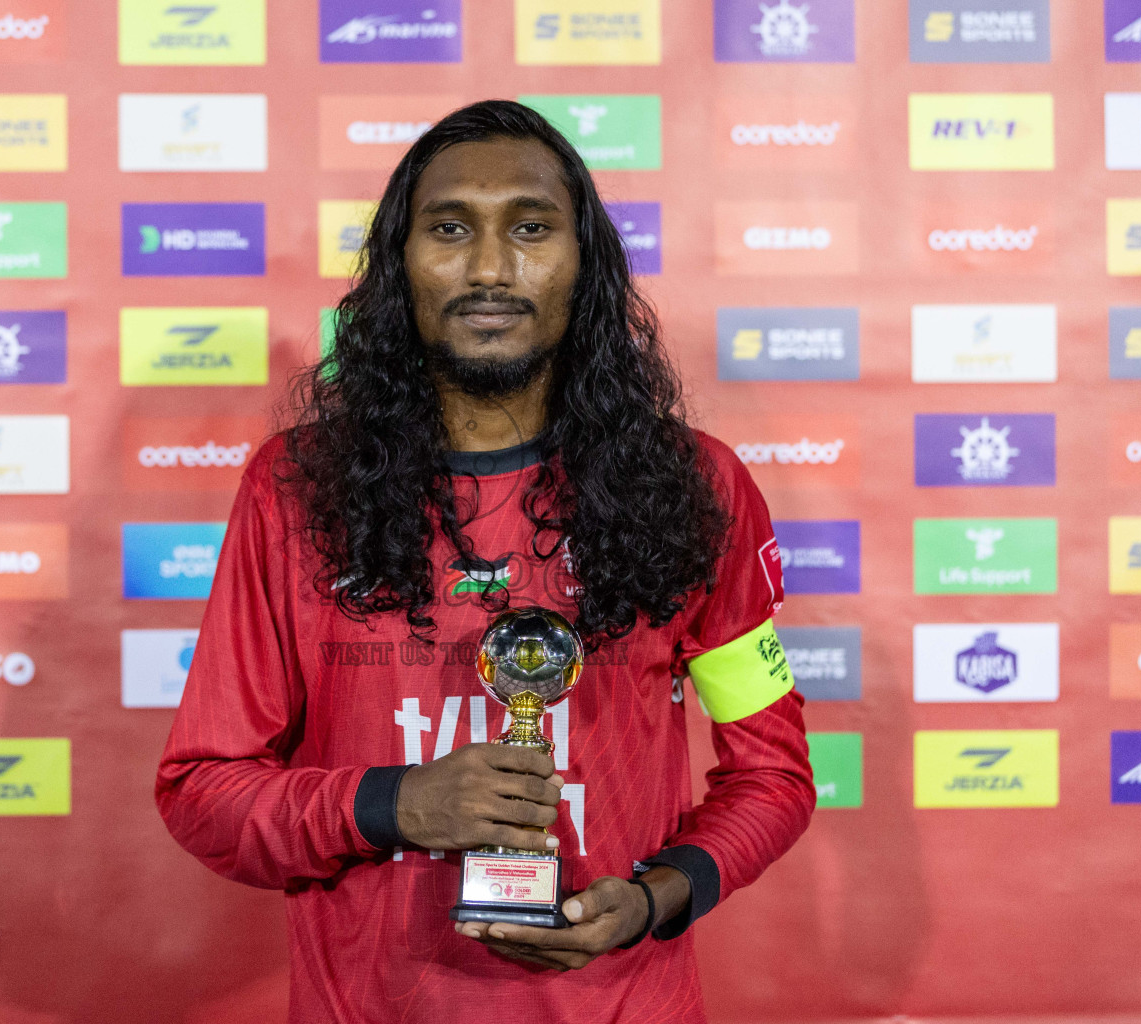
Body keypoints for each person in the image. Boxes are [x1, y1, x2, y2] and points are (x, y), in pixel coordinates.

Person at [156, 99, 814, 1024]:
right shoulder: (294, 490)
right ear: (401, 265)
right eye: (451, 229)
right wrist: (396, 804)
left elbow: (773, 773)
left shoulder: (696, 485)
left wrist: (657, 898)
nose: (492, 268)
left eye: (532, 228)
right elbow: (203, 791)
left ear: (584, 265)